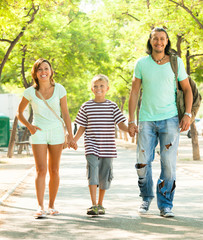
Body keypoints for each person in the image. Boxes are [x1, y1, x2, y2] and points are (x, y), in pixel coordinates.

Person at [128, 27, 193, 218]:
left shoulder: (176, 62)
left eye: (162, 39)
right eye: (155, 39)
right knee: (142, 162)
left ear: (167, 41)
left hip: (170, 120)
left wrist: (188, 114)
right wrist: (131, 120)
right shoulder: (141, 63)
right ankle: (146, 197)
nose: (159, 42)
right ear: (150, 41)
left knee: (168, 164)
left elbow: (187, 89)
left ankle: (165, 204)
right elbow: (134, 92)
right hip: (146, 120)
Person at [17, 58, 77, 218]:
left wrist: (70, 136)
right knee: (41, 169)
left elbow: (65, 113)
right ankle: (40, 206)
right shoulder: (30, 92)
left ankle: (51, 205)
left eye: (46, 69)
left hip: (57, 132)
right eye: (40, 69)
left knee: (54, 170)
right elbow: (19, 113)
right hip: (39, 132)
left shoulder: (59, 89)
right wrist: (30, 127)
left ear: (51, 71)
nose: (43, 72)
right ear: (35, 73)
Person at [74, 74, 128, 215]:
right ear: (92, 89)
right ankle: (93, 204)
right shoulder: (86, 106)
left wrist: (129, 129)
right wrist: (74, 139)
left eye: (102, 86)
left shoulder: (112, 106)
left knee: (105, 175)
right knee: (93, 172)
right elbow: (82, 127)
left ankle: (100, 204)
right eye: (96, 86)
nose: (99, 88)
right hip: (91, 145)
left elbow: (120, 123)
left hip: (107, 147)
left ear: (107, 88)